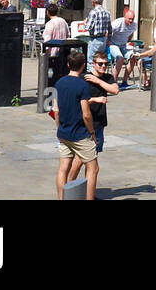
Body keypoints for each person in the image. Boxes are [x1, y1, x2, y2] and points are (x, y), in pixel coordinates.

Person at [51, 49, 97, 200]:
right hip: (80, 134)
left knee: (63, 169)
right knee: (92, 168)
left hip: (63, 133)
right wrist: (92, 132)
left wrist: (59, 128)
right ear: (83, 66)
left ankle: (61, 198)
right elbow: (86, 113)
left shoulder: (59, 82)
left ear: (68, 64)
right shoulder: (82, 85)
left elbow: (56, 110)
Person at [82, 51, 118, 168]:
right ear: (93, 64)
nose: (103, 66)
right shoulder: (85, 78)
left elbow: (115, 90)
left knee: (93, 159)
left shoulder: (107, 77)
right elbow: (78, 102)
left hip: (99, 123)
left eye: (105, 64)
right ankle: (69, 184)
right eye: (100, 64)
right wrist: (94, 99)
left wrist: (98, 81)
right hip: (85, 123)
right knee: (80, 160)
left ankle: (87, 184)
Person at [107, 8, 139, 85]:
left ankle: (124, 81)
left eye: (132, 19)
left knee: (133, 57)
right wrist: (107, 43)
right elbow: (108, 32)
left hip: (123, 45)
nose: (131, 21)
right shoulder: (117, 23)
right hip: (113, 44)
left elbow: (131, 33)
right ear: (125, 17)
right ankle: (113, 82)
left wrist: (128, 41)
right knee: (120, 58)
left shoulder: (134, 25)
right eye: (129, 19)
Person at [41, 2, 70, 81]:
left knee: (52, 74)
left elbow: (47, 40)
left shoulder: (50, 24)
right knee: (61, 71)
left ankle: (51, 87)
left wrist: (45, 53)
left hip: (53, 53)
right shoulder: (63, 21)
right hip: (63, 51)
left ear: (47, 12)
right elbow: (68, 35)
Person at [85, 0, 111, 66]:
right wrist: (108, 39)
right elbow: (110, 28)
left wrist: (85, 22)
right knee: (100, 60)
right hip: (103, 39)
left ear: (93, 1)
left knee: (91, 61)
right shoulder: (107, 12)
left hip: (95, 39)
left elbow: (88, 27)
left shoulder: (93, 12)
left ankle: (92, 76)